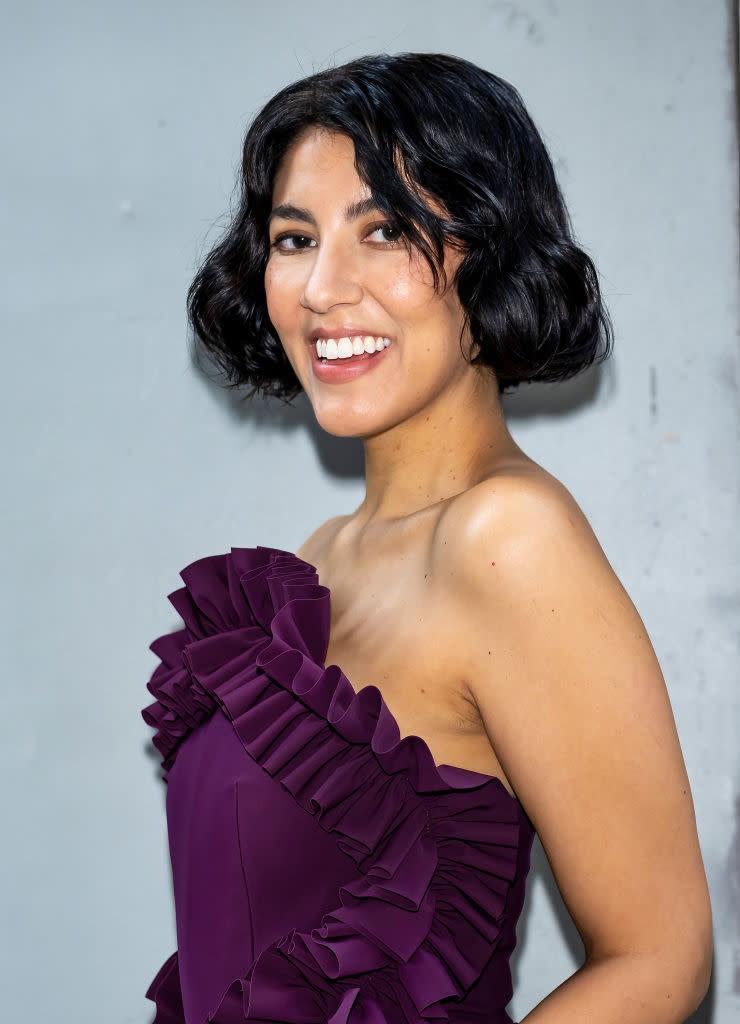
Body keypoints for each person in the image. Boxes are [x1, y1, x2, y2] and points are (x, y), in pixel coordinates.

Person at [142, 53, 712, 1024]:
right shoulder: (318, 558)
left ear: (486, 248)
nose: (322, 288)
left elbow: (658, 957)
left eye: (384, 230)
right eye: (293, 237)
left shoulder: (507, 538)